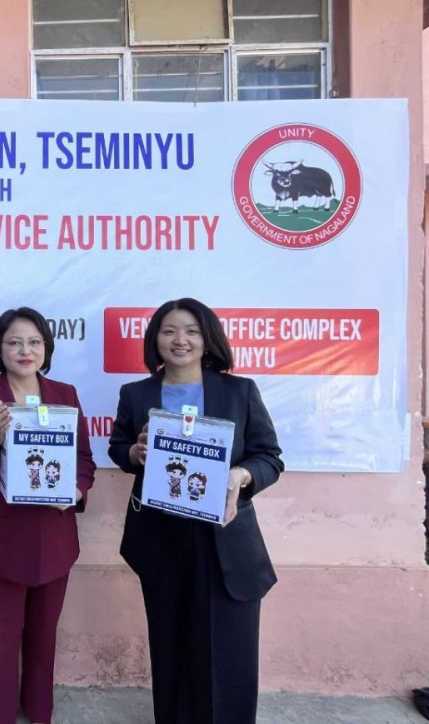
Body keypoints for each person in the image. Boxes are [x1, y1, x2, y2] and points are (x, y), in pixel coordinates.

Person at [107, 297, 284, 724]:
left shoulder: (238, 391)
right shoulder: (136, 394)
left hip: (224, 539)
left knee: (229, 652)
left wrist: (238, 476)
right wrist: (135, 451)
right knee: (171, 645)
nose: (179, 340)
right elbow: (119, 449)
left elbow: (269, 458)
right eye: (169, 331)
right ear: (155, 340)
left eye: (191, 331)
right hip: (161, 538)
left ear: (208, 340)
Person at [0, 306, 96, 724]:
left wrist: (78, 490)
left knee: (44, 636)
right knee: (1, 638)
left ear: (46, 348)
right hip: (1, 541)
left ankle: (39, 710)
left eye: (34, 342)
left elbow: (84, 459)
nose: (24, 350)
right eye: (14, 342)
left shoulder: (65, 395)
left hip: (55, 535)